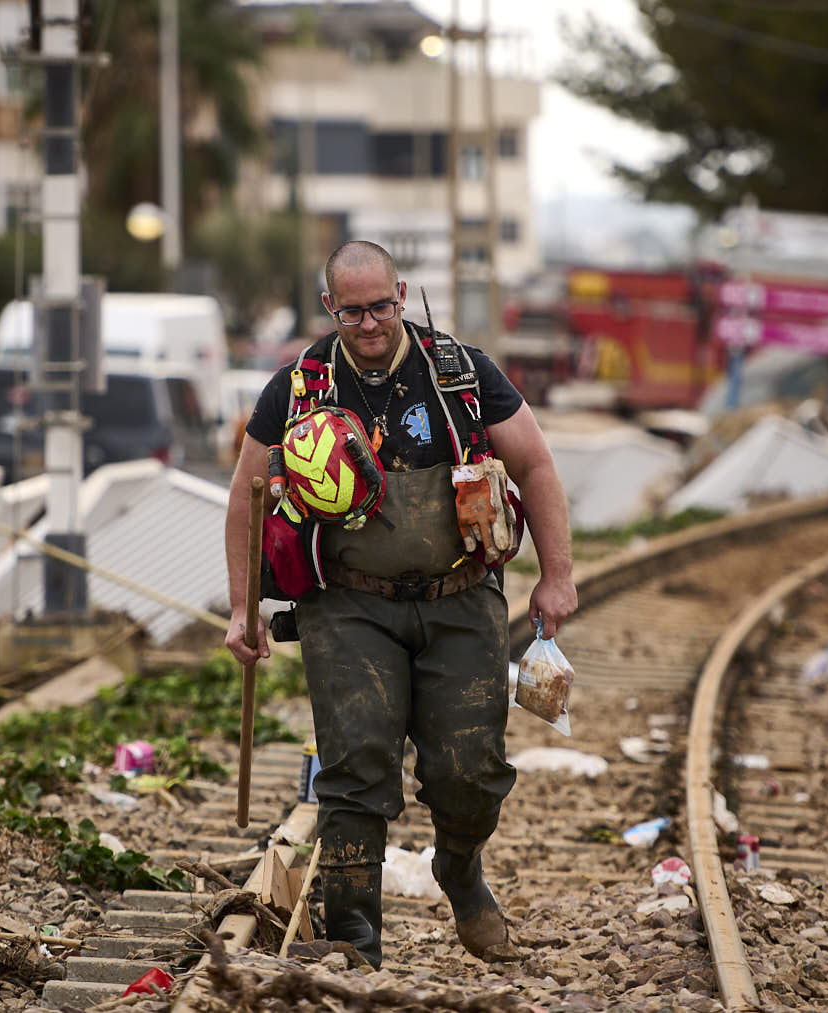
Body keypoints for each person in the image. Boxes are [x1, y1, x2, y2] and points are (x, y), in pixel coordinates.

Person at [223, 240, 577, 969]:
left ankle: (459, 869)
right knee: (355, 775)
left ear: (403, 294)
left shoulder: (462, 374)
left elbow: (535, 463)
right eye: (351, 310)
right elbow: (246, 497)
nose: (369, 323)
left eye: (381, 306)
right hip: (350, 609)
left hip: (462, 600)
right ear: (330, 307)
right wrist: (242, 607)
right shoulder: (300, 386)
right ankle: (356, 942)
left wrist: (556, 576)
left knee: (470, 772)